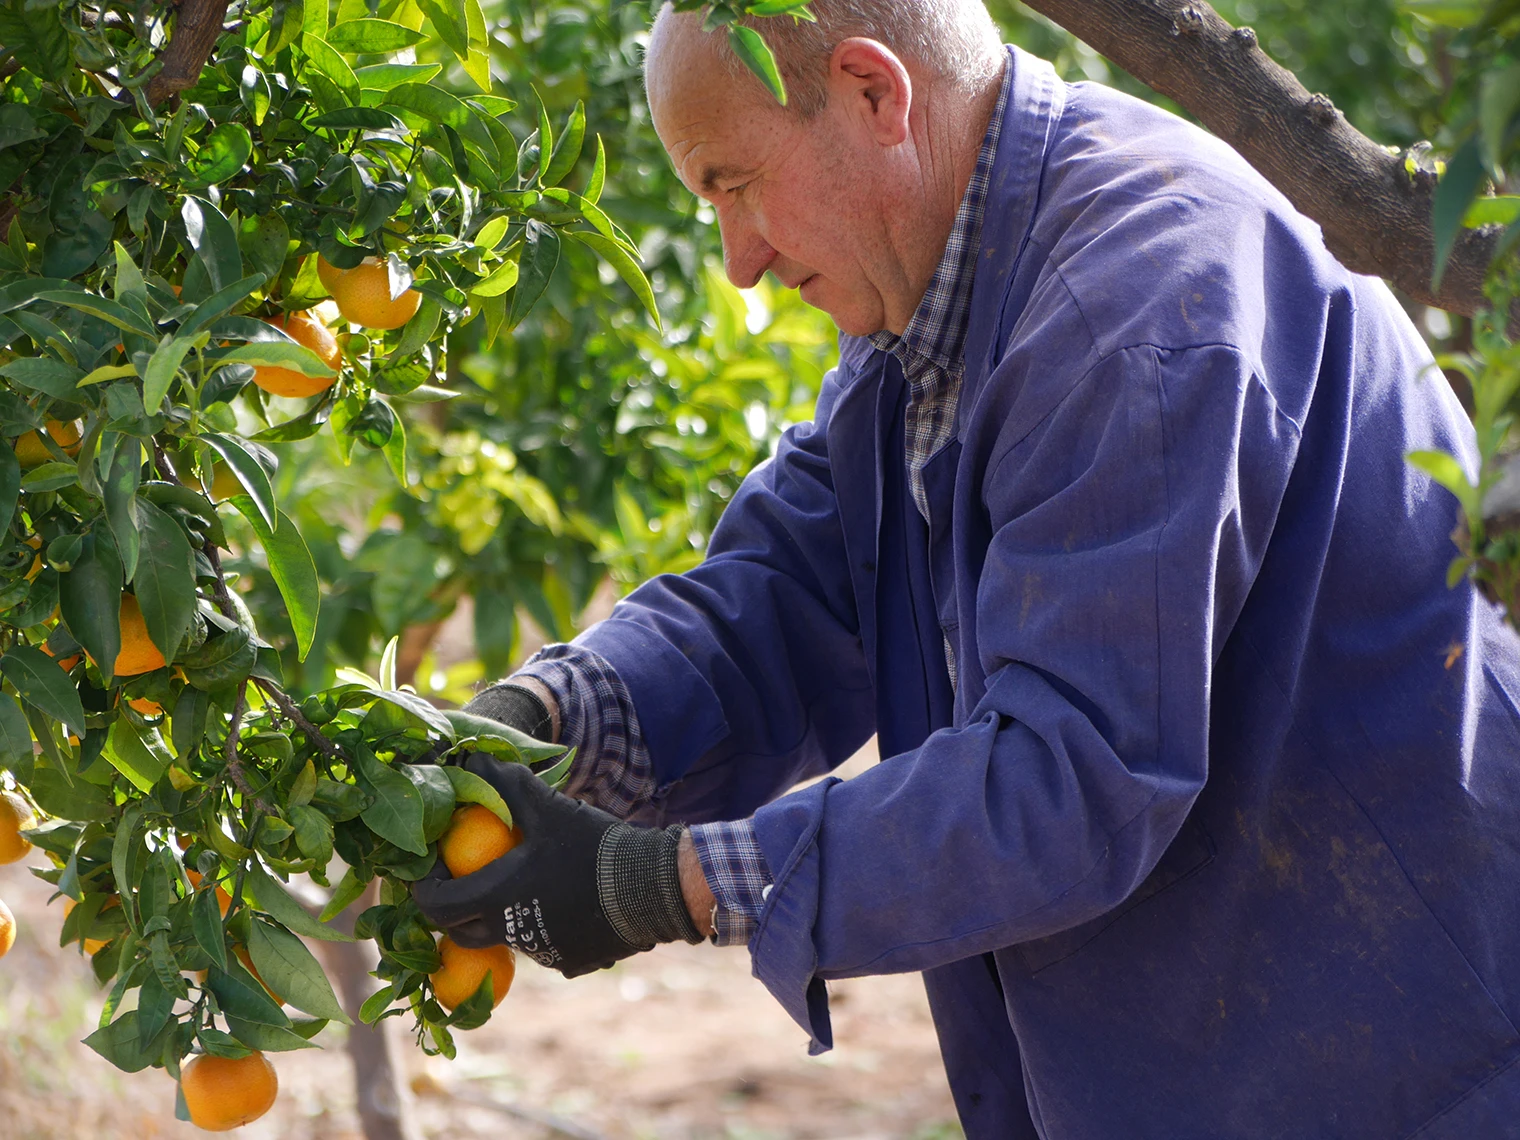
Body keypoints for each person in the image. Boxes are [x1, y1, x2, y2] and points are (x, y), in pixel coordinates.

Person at [413, 2, 1520, 1135]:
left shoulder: (1132, 305)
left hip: (1394, 1055)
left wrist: (670, 884)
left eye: (733, 184)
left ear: (872, 94)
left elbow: (1071, 779)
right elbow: (798, 584)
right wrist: (540, 719)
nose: (737, 260)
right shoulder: (951, 273)